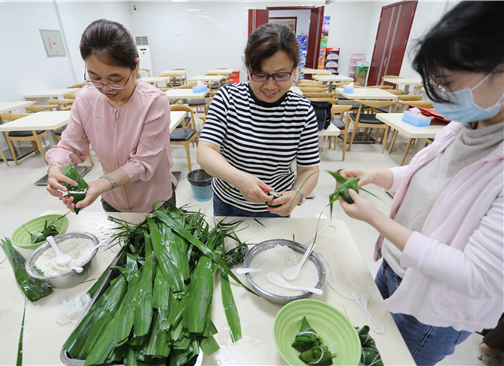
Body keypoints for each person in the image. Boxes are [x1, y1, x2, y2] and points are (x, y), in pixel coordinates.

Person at [336, 2, 504, 365]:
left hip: (432, 309)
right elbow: (431, 185)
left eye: (450, 83)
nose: (441, 95)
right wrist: (381, 176)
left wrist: (377, 220)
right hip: (395, 269)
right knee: (365, 346)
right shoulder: (469, 125)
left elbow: (478, 275)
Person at [46, 19, 176, 213]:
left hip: (154, 201)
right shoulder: (86, 99)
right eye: (95, 78)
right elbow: (69, 145)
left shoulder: (154, 102)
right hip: (112, 199)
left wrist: (101, 184)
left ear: (136, 67)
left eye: (116, 80)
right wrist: (55, 168)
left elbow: (142, 163)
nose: (105, 88)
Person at [197, 23, 320, 217]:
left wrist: (296, 194)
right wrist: (239, 179)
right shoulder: (227, 98)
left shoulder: (302, 110)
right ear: (248, 69)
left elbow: (309, 170)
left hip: (275, 207)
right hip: (228, 202)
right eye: (260, 75)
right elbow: (205, 152)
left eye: (281, 75)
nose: (270, 85)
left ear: (295, 70)